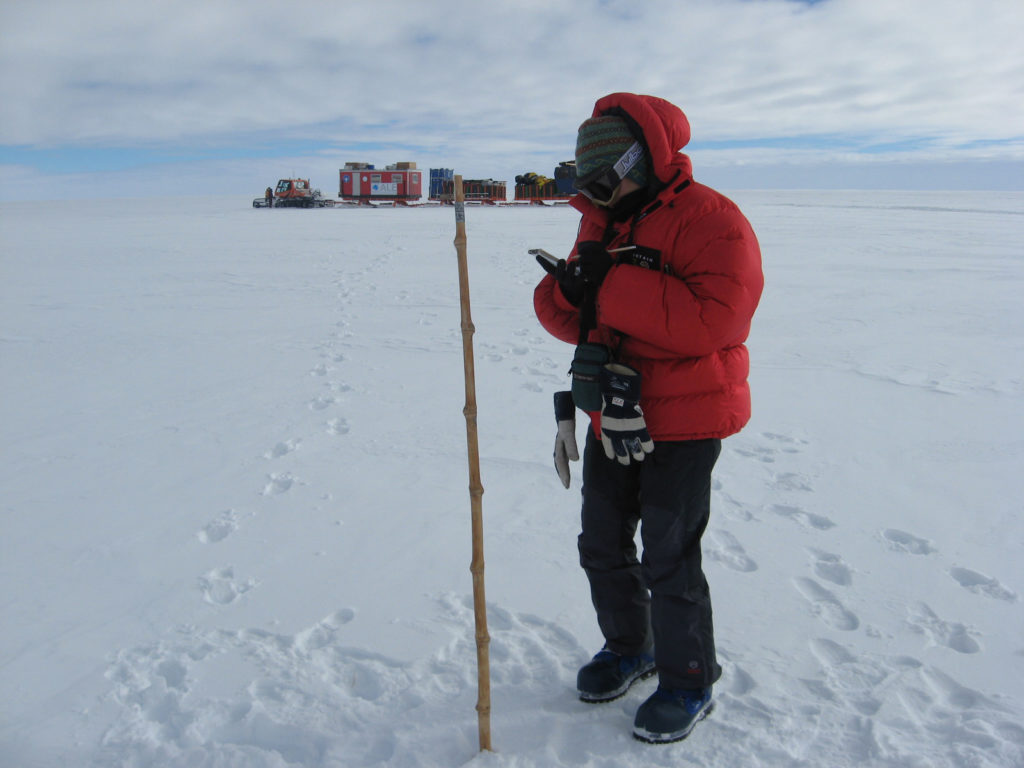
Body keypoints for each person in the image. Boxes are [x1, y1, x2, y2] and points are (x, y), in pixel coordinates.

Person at [533, 92, 763, 744]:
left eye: (606, 181)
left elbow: (716, 321)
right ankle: (628, 647)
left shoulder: (713, 219)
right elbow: (568, 319)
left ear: (643, 160)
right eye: (588, 186)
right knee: (601, 544)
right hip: (615, 410)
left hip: (685, 419)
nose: (597, 198)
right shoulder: (602, 220)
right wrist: (568, 291)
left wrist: (609, 287)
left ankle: (688, 678)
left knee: (669, 553)